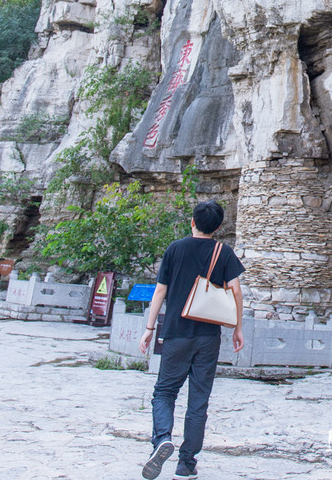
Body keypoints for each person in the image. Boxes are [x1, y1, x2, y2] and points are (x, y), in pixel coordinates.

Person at [140, 201, 245, 479]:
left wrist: (150, 328)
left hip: (175, 332)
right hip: (208, 336)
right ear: (219, 227)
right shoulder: (224, 252)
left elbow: (160, 290)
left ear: (192, 222)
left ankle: (162, 439)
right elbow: (235, 291)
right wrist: (237, 328)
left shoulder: (175, 248)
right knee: (199, 399)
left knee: (164, 391)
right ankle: (186, 464)